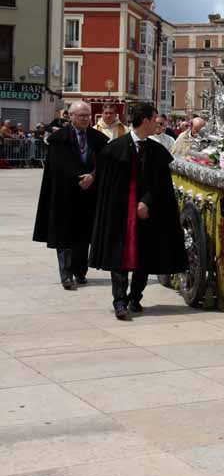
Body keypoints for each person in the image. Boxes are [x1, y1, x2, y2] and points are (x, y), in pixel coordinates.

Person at [90, 104, 188, 320]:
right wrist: (129, 203)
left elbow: (161, 184)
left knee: (145, 258)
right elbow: (108, 186)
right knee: (119, 259)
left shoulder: (157, 151)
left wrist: (146, 202)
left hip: (148, 216)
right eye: (155, 119)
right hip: (120, 215)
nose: (158, 123)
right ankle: (119, 301)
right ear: (145, 120)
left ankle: (135, 297)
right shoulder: (114, 149)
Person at [32, 101, 109, 290]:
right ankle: (66, 275)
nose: (85, 119)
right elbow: (57, 167)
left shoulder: (98, 138)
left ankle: (80, 272)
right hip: (65, 194)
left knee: (84, 236)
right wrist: (77, 179)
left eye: (87, 115)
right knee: (64, 236)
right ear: (71, 116)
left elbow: (104, 164)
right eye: (81, 115)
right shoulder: (59, 139)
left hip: (89, 194)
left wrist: (93, 176)